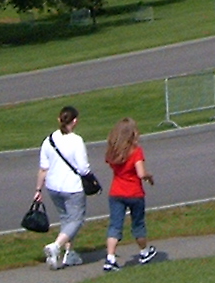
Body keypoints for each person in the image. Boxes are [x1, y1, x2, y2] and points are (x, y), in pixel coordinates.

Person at [35, 105, 91, 270]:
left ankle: (69, 253)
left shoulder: (49, 140)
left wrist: (38, 189)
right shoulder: (76, 141)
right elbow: (83, 168)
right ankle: (56, 246)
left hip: (53, 187)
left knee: (66, 220)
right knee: (76, 220)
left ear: (59, 120)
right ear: (75, 121)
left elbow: (43, 168)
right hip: (72, 187)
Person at [101, 117, 156, 270]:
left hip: (116, 192)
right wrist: (148, 176)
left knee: (115, 225)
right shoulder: (136, 152)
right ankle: (144, 251)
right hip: (134, 193)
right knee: (138, 224)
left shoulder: (114, 153)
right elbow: (140, 173)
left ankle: (110, 257)